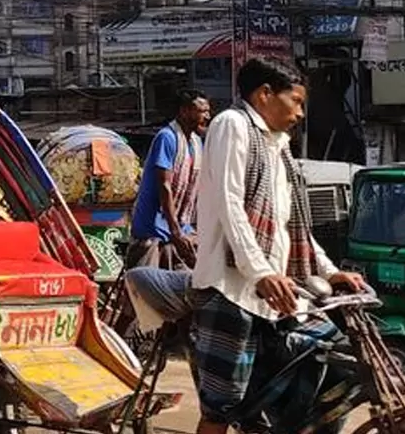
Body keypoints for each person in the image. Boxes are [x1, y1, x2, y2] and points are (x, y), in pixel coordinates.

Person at [190, 57, 365, 434]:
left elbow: (291, 228)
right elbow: (228, 204)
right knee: (221, 406)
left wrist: (330, 271)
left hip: (279, 294)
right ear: (265, 94)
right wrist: (261, 272)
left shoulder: (278, 146)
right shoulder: (232, 125)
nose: (301, 113)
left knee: (333, 360)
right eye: (297, 101)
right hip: (230, 289)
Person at [125, 89, 210, 271]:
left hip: (181, 224)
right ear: (184, 111)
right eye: (201, 111)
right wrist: (176, 232)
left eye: (208, 111)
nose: (207, 116)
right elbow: (165, 185)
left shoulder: (196, 143)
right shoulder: (167, 138)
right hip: (154, 226)